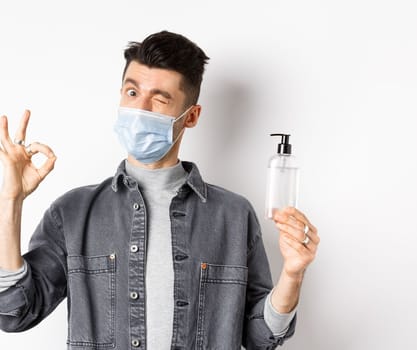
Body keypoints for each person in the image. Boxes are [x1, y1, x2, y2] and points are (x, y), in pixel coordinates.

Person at [0, 30, 319, 349]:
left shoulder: (233, 215)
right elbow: (15, 313)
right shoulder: (73, 213)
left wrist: (292, 274)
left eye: (160, 98)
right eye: (132, 92)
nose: (141, 109)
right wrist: (10, 200)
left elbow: (260, 337)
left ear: (191, 116)